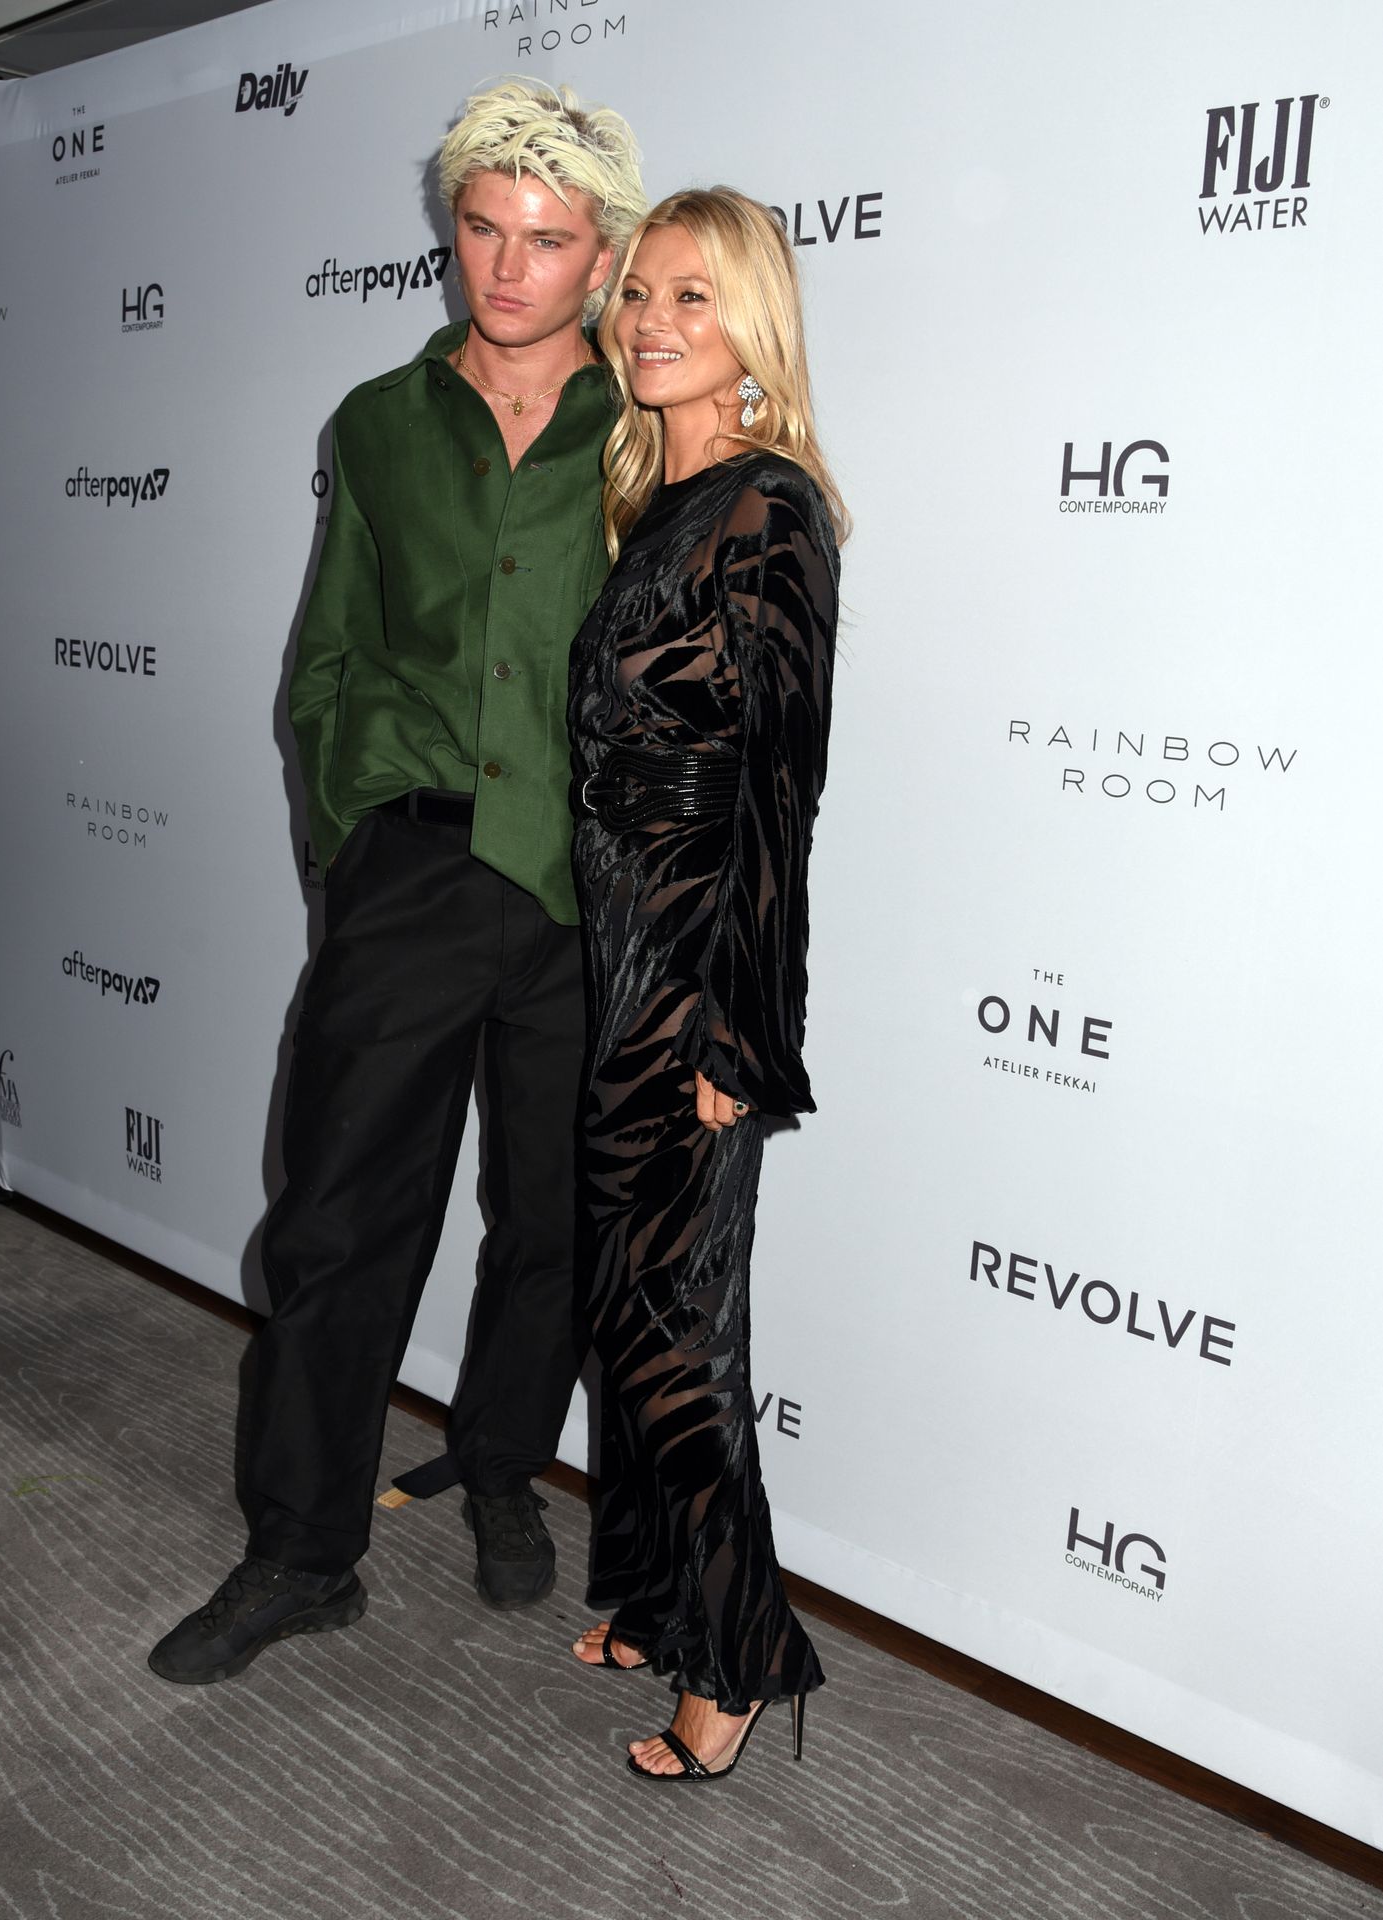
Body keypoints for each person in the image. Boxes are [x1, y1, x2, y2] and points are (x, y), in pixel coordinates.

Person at [148, 81, 646, 1685]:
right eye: (482, 230)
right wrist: (352, 851)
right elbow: (328, 660)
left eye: (545, 241)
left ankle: (499, 1466)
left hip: (588, 893)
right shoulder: (374, 421)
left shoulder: (652, 428)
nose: (505, 267)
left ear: (602, 257)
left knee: (554, 1218)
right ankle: (301, 1552)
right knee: (337, 1223)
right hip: (414, 871)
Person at [565, 188, 848, 1779]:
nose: (652, 320)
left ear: (753, 329)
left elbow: (777, 791)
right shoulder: (660, 501)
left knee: (680, 1322)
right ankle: (664, 1594)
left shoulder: (769, 509)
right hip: (620, 953)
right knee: (626, 1291)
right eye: (640, 293)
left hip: (689, 968)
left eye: (694, 294)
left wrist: (738, 1027)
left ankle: (736, 1659)